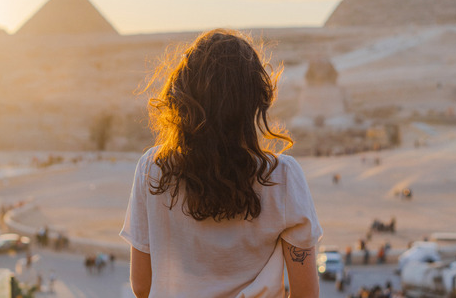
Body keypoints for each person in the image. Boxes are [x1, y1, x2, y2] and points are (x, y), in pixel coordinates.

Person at [120, 29, 322, 298]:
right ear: (254, 100)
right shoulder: (283, 178)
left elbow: (142, 285)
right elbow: (306, 293)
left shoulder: (152, 169)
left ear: (183, 97)